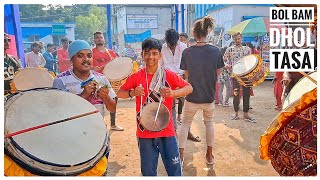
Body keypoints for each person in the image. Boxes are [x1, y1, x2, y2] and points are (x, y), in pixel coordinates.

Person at [117, 38, 193, 176]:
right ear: (142, 55)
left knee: (175, 172)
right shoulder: (136, 76)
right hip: (144, 131)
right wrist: (132, 92)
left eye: (154, 53)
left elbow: (189, 88)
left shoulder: (168, 75)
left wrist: (173, 93)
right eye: (147, 53)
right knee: (148, 173)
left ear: (160, 55)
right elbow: (119, 93)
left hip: (167, 130)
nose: (150, 57)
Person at [52, 40, 117, 175]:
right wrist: (84, 94)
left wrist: (106, 98)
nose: (86, 59)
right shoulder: (61, 80)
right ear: (72, 59)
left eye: (89, 55)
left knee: (99, 173)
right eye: (80, 55)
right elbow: (60, 113)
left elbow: (112, 108)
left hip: (98, 137)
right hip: (71, 140)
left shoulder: (101, 79)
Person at [178, 16, 224, 165]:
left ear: (194, 34)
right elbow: (218, 73)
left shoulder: (187, 52)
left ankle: (181, 154)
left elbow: (186, 75)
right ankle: (209, 155)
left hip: (192, 96)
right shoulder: (216, 51)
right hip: (209, 96)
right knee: (209, 123)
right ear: (207, 33)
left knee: (185, 124)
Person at [161, 29, 200, 142]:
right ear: (166, 41)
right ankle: (173, 132)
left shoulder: (183, 47)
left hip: (182, 78)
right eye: (170, 45)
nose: (172, 48)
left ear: (178, 40)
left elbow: (189, 65)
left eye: (174, 45)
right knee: (170, 106)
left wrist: (186, 79)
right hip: (167, 79)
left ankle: (187, 132)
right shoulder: (162, 48)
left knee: (188, 106)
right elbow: (160, 66)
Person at [92, 31, 124, 131]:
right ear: (94, 40)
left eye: (100, 37)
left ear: (104, 39)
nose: (99, 39)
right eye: (97, 37)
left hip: (111, 80)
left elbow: (116, 65)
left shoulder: (110, 52)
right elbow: (88, 67)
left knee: (113, 101)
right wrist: (93, 68)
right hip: (97, 81)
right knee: (96, 102)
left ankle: (113, 124)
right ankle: (96, 124)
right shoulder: (90, 52)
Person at [224, 32, 255, 122]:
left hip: (246, 74)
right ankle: (236, 113)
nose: (237, 40)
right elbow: (224, 60)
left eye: (238, 38)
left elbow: (251, 61)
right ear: (233, 39)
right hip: (235, 75)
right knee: (236, 94)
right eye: (235, 39)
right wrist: (226, 65)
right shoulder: (229, 49)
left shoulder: (247, 49)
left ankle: (246, 114)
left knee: (246, 94)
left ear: (241, 38)